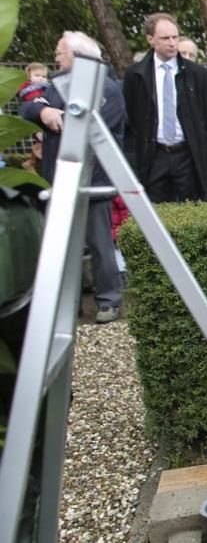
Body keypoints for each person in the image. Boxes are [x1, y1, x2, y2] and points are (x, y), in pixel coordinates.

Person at [19, 31, 126, 324]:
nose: (55, 58)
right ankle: (69, 305)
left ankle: (109, 301)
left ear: (78, 55)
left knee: (100, 245)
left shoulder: (108, 88)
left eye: (59, 53)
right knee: (63, 248)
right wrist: (44, 112)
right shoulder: (55, 85)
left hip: (94, 180)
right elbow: (27, 104)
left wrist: (63, 117)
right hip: (59, 180)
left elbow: (95, 125)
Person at [122, 12, 207, 202]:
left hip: (187, 155)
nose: (172, 43)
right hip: (153, 155)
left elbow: (205, 115)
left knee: (191, 211)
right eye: (165, 38)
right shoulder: (136, 75)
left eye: (175, 37)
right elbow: (131, 116)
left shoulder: (198, 75)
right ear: (150, 39)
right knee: (155, 212)